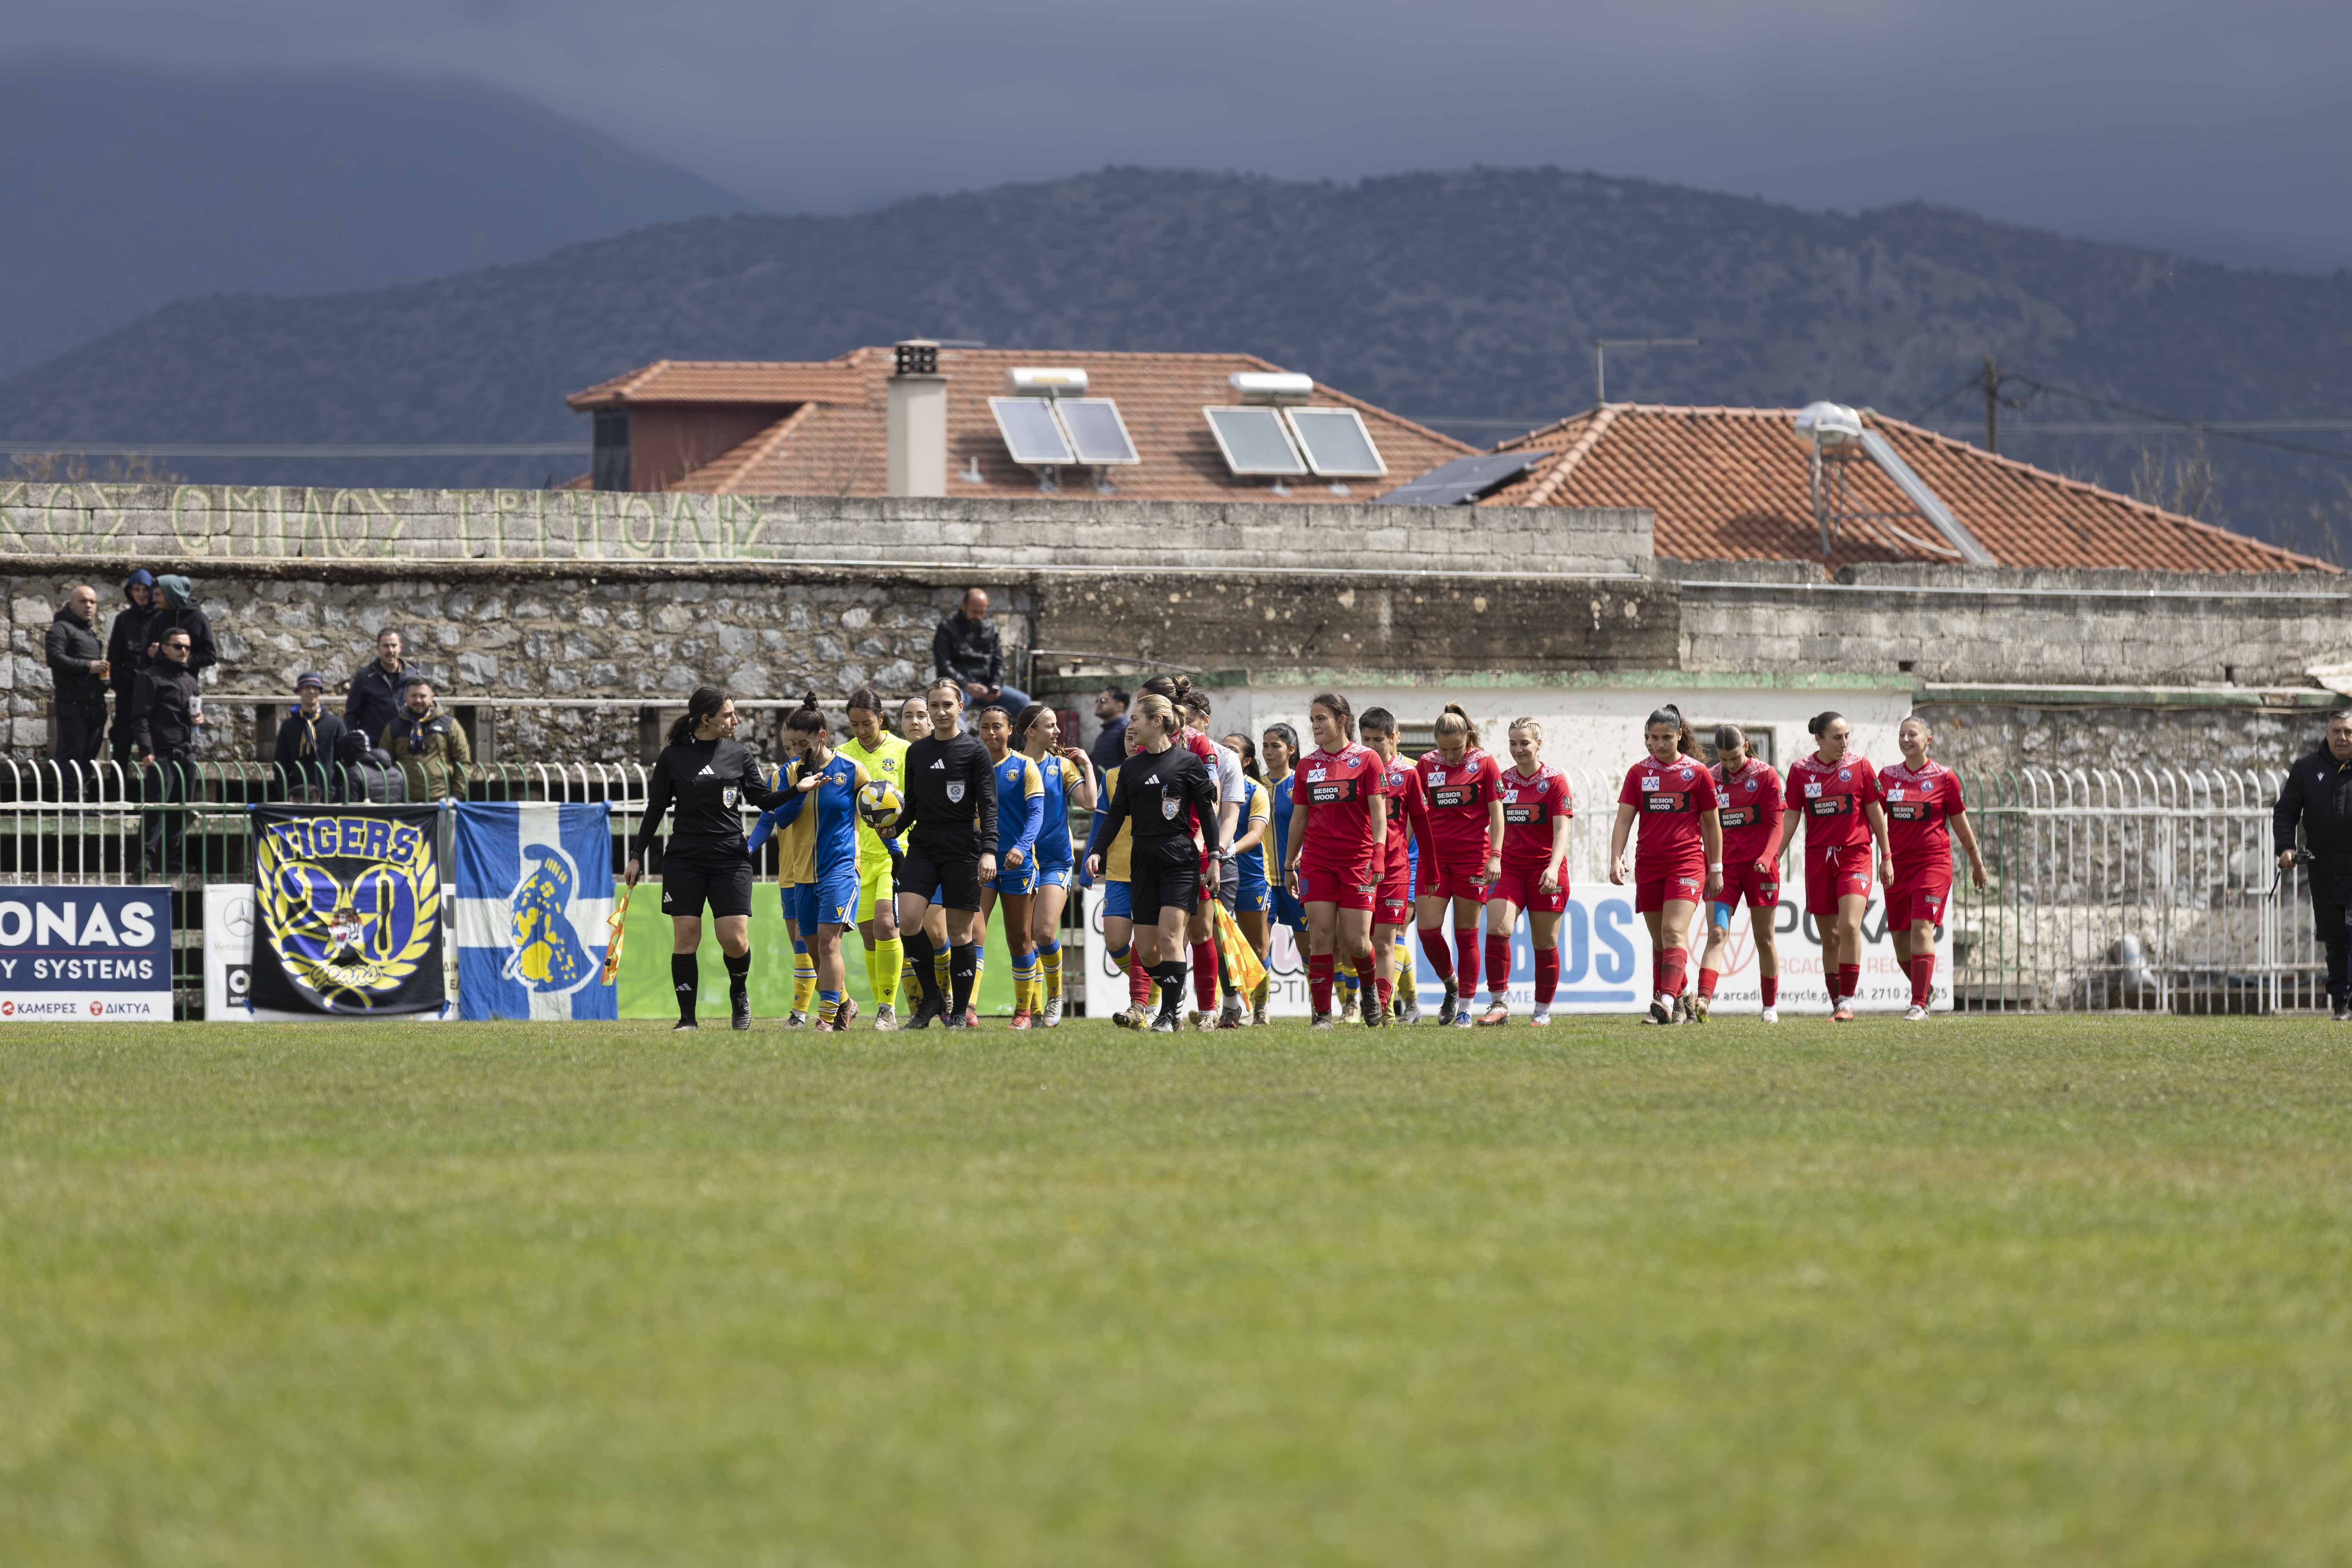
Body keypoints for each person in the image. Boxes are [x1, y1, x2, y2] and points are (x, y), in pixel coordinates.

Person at [624, 687, 788, 1031]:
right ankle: (687, 1020)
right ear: (706, 719)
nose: (736, 720)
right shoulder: (673, 757)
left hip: (730, 858)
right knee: (687, 936)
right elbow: (655, 809)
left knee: (734, 940)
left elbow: (764, 799)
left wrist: (798, 789)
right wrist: (636, 856)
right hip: (685, 860)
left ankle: (739, 991)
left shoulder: (739, 754)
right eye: (728, 714)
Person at [1083, 693, 1220, 1033]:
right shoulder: (1130, 768)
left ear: (1157, 721)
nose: (1131, 726)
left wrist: (1215, 858)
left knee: (1171, 937)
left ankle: (1168, 1015)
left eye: (1136, 719)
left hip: (1179, 860)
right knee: (1146, 951)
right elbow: (1116, 815)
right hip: (1142, 861)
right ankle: (1175, 991)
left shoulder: (1189, 763)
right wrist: (1097, 850)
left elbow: (1208, 815)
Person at [749, 697, 877, 1033]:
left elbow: (877, 810)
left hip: (841, 869)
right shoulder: (786, 774)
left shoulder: (851, 770)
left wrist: (896, 849)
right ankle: (845, 1005)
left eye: (803, 744)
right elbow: (782, 820)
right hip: (801, 873)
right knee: (811, 949)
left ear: (822, 736)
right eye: (792, 745)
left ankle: (828, 1017)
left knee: (828, 942)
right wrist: (800, 788)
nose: (797, 751)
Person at [1610, 706, 1724, 1026]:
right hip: (1649, 865)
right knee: (1661, 942)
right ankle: (1683, 1000)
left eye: (1666, 738)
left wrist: (1716, 868)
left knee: (1674, 932)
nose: (1659, 745)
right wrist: (1616, 857)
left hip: (1687, 863)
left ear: (1680, 736)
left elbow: (1712, 824)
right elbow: (1624, 819)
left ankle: (1664, 1000)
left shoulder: (1698, 773)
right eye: (1653, 738)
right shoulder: (1638, 773)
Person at [894, 679, 999, 1029]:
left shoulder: (975, 751)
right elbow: (911, 805)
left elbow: (989, 805)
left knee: (960, 935)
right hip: (923, 846)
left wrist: (989, 851)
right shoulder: (917, 752)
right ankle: (932, 998)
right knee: (909, 921)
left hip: (962, 848)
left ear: (960, 708)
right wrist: (894, 827)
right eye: (934, 707)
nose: (940, 712)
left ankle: (959, 1013)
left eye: (947, 705)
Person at [1284, 691, 1388, 1030]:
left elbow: (1379, 813)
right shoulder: (1306, 766)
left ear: (1341, 721)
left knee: (1356, 942)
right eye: (1312, 719)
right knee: (1321, 937)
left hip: (1358, 860)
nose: (1314, 725)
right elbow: (1299, 819)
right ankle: (1323, 1015)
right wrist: (1289, 864)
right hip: (1317, 861)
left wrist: (1379, 854)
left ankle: (1369, 991)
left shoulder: (1368, 759)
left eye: (1321, 719)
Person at [1880, 715, 1990, 1022]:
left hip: (1933, 864)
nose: (1905, 740)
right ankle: (1926, 990)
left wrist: (1977, 863)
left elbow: (1960, 824)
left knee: (1921, 927)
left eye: (1912, 734)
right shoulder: (1887, 777)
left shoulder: (1945, 777)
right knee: (1900, 941)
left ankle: (1919, 1004)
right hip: (1897, 868)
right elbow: (1874, 817)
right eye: (1901, 734)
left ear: (1928, 740)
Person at [1786, 711, 1893, 1022]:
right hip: (1818, 859)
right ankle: (1837, 1004)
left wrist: (1887, 856)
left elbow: (1876, 814)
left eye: (1847, 736)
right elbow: (1791, 816)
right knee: (1830, 938)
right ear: (1818, 739)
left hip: (1855, 855)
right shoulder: (1800, 771)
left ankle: (1847, 1001)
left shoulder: (1861, 766)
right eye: (1837, 738)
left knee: (1849, 927)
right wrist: (1773, 855)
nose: (1844, 743)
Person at [1476, 719, 1574, 1026]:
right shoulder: (1503, 781)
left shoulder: (1556, 781)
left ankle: (1542, 1012)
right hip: (1509, 868)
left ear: (1539, 744)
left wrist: (1553, 867)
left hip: (1546, 871)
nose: (1518, 749)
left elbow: (1562, 830)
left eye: (1525, 743)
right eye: (1513, 743)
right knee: (1497, 928)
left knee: (1544, 943)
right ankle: (1499, 1004)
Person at [1413, 703, 1505, 1027]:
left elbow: (1497, 813)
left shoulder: (1485, 762)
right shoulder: (1426, 764)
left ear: (1468, 738)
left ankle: (1465, 1006)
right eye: (1444, 749)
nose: (1451, 756)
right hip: (1434, 859)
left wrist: (1496, 855)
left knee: (1466, 936)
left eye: (1457, 748)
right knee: (1427, 931)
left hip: (1473, 858)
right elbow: (1415, 813)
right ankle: (1451, 984)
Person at [1697, 724, 1787, 1022]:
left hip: (1760, 869)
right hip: (1724, 872)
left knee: (1764, 939)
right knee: (1717, 933)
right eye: (1723, 759)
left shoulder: (1766, 775)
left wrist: (1767, 857)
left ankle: (1770, 1008)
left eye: (1735, 758)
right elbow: (1706, 826)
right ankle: (1703, 1000)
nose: (1729, 765)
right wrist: (1712, 866)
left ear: (1746, 746)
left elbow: (1777, 825)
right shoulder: (1711, 778)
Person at [1167, 684, 1245, 1027]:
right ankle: (1174, 1006)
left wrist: (1213, 850)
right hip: (1175, 854)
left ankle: (1228, 1003)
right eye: (1176, 718)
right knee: (1175, 934)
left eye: (1189, 720)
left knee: (1215, 934)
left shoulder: (1225, 758)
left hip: (1216, 856)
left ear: (1205, 721)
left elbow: (1228, 816)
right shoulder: (1164, 750)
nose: (1182, 726)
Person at [1016, 702, 1094, 1028]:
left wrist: (1087, 765)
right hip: (1020, 862)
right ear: (1030, 732)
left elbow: (1090, 803)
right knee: (1025, 940)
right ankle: (1030, 1010)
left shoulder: (1061, 766)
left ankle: (1054, 998)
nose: (1058, 731)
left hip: (1055, 861)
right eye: (1050, 725)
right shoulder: (1011, 764)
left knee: (1045, 932)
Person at [840, 688, 911, 1029]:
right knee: (869, 935)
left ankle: (888, 1009)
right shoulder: (843, 756)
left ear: (881, 719)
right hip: (858, 858)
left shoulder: (904, 751)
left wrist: (898, 827)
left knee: (887, 926)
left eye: (867, 723)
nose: (861, 731)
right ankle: (881, 1006)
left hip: (894, 855)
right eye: (854, 725)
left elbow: (914, 801)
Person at [2276, 709, 2352, 1022]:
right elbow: (2286, 812)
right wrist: (2286, 847)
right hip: (2324, 870)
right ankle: (2341, 1004)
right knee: (2335, 939)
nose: (2343, 738)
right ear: (2327, 734)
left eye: (2349, 732)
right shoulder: (2307, 769)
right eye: (2337, 731)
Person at [1357, 708, 1429, 1027]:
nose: (1372, 746)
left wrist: (1408, 857)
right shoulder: (1354, 769)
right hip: (1361, 866)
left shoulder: (1409, 773)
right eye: (1366, 740)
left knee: (1391, 938)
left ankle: (1383, 1008)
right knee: (1361, 941)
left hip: (1401, 865)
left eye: (1378, 740)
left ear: (1394, 738)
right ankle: (1407, 1001)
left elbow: (1418, 824)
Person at [1082, 724, 1156, 1029]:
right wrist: (1090, 860)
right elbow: (1103, 822)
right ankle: (1157, 984)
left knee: (1145, 942)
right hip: (1118, 872)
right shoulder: (1112, 776)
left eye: (1137, 735)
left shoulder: (1164, 771)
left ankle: (1144, 1003)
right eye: (1128, 736)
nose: (1133, 741)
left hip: (1153, 871)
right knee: (1115, 942)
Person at [978, 704, 1046, 1028]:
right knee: (972, 934)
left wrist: (1021, 847)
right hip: (983, 862)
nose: (991, 733)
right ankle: (967, 1010)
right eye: (985, 727)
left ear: (1009, 731)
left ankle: (1024, 1012)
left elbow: (1036, 814)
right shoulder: (972, 766)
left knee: (1020, 940)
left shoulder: (1025, 766)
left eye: (997, 727)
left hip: (1017, 864)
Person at [895, 695, 955, 1010]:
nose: (915, 721)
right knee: (905, 930)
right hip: (897, 858)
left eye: (921, 715)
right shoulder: (896, 755)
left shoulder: (948, 752)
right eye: (908, 716)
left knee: (938, 933)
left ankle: (945, 997)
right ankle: (918, 1006)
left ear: (932, 719)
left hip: (940, 854)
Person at [129, 627, 203, 876]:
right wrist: (146, 750)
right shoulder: (149, 677)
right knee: (156, 805)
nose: (184, 651)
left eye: (187, 647)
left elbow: (193, 717)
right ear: (164, 648)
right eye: (178, 646)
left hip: (186, 750)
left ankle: (170, 856)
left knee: (183, 807)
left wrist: (198, 721)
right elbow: (140, 717)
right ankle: (146, 858)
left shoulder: (190, 680)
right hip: (161, 750)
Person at [45, 584, 109, 796]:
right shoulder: (61, 629)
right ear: (71, 605)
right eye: (83, 601)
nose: (88, 606)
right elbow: (55, 658)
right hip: (73, 705)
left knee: (88, 758)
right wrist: (89, 666)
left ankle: (82, 801)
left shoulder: (91, 635)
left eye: (92, 602)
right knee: (71, 756)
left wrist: (104, 680)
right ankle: (70, 803)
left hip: (95, 706)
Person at [1262, 722, 1305, 1026]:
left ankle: (1324, 1008)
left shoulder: (1300, 784)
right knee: (1259, 947)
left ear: (1291, 750)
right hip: (1264, 881)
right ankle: (1260, 1010)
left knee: (1310, 949)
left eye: (1275, 746)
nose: (1269, 752)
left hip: (1297, 880)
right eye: (1265, 746)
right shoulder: (1255, 787)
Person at [932, 588, 1028, 717]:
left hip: (987, 687)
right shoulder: (947, 628)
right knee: (952, 705)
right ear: (964, 606)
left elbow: (999, 662)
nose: (978, 617)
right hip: (960, 687)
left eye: (982, 613)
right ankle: (960, 731)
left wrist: (996, 686)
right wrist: (966, 685)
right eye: (974, 612)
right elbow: (943, 665)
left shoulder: (990, 629)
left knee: (1024, 702)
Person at [381, 677, 472, 801]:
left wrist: (457, 796)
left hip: (442, 800)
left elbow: (463, 762)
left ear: (432, 697)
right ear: (406, 697)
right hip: (405, 801)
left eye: (423, 696)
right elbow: (384, 765)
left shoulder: (450, 725)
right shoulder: (393, 728)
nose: (418, 700)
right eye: (414, 696)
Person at [104, 570, 158, 769]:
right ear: (130, 592)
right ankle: (117, 786)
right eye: (137, 590)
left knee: (155, 740)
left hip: (155, 691)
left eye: (145, 590)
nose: (141, 595)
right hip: (128, 690)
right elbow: (114, 657)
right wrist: (122, 684)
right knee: (122, 739)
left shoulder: (161, 617)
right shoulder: (124, 619)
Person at [345, 630, 422, 759]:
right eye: (386, 646)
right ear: (378, 649)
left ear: (400, 648)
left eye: (394, 646)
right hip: (375, 747)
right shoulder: (364, 677)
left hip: (406, 745)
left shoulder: (413, 675)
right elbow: (352, 715)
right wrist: (356, 743)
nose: (390, 650)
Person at [272, 672, 347, 802]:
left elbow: (344, 763)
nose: (311, 691)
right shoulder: (289, 726)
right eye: (307, 687)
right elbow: (280, 764)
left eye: (315, 688)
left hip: (329, 795)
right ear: (299, 691)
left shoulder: (336, 725)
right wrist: (287, 795)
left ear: (320, 692)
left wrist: (338, 796)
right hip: (298, 796)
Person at [1088, 687, 1131, 779]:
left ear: (1120, 706)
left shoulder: (1126, 732)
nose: (1098, 704)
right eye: (1098, 700)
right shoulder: (1104, 735)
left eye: (1104, 700)